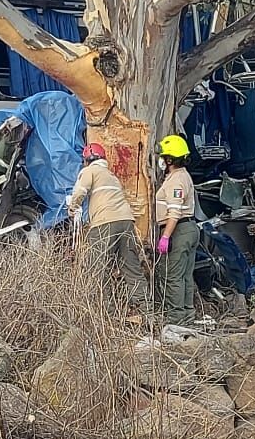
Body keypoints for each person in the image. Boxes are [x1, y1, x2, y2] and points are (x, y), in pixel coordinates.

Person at [69, 143, 147, 306]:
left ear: (87, 160)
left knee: (97, 269)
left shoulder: (89, 171)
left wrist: (73, 208)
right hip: (126, 222)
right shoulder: (111, 176)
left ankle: (106, 314)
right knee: (131, 268)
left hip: (104, 223)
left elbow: (80, 192)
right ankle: (147, 312)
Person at [153, 134, 200, 325]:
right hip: (189, 228)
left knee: (172, 276)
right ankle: (187, 314)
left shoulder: (176, 181)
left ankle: (175, 318)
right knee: (186, 276)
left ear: (170, 159)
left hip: (179, 230)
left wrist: (165, 236)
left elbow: (175, 212)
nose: (161, 160)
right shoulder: (182, 176)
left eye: (164, 157)